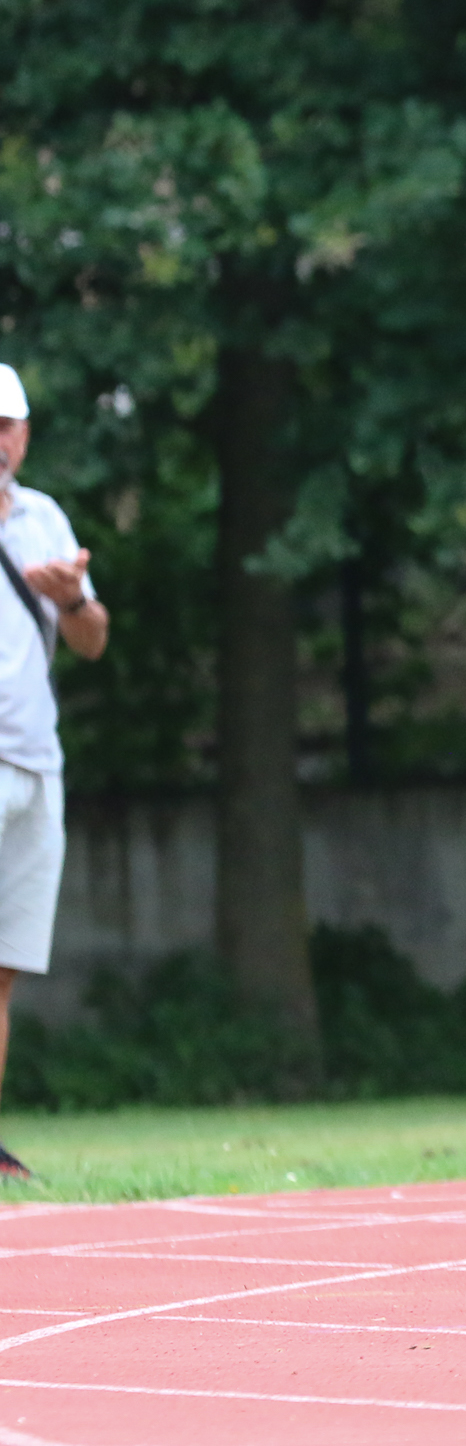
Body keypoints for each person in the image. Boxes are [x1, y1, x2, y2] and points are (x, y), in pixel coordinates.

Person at [0, 363, 110, 1180]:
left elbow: (92, 642)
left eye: (5, 427)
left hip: (38, 766)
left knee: (3, 970)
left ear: (25, 433)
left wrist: (72, 598)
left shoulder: (44, 518)